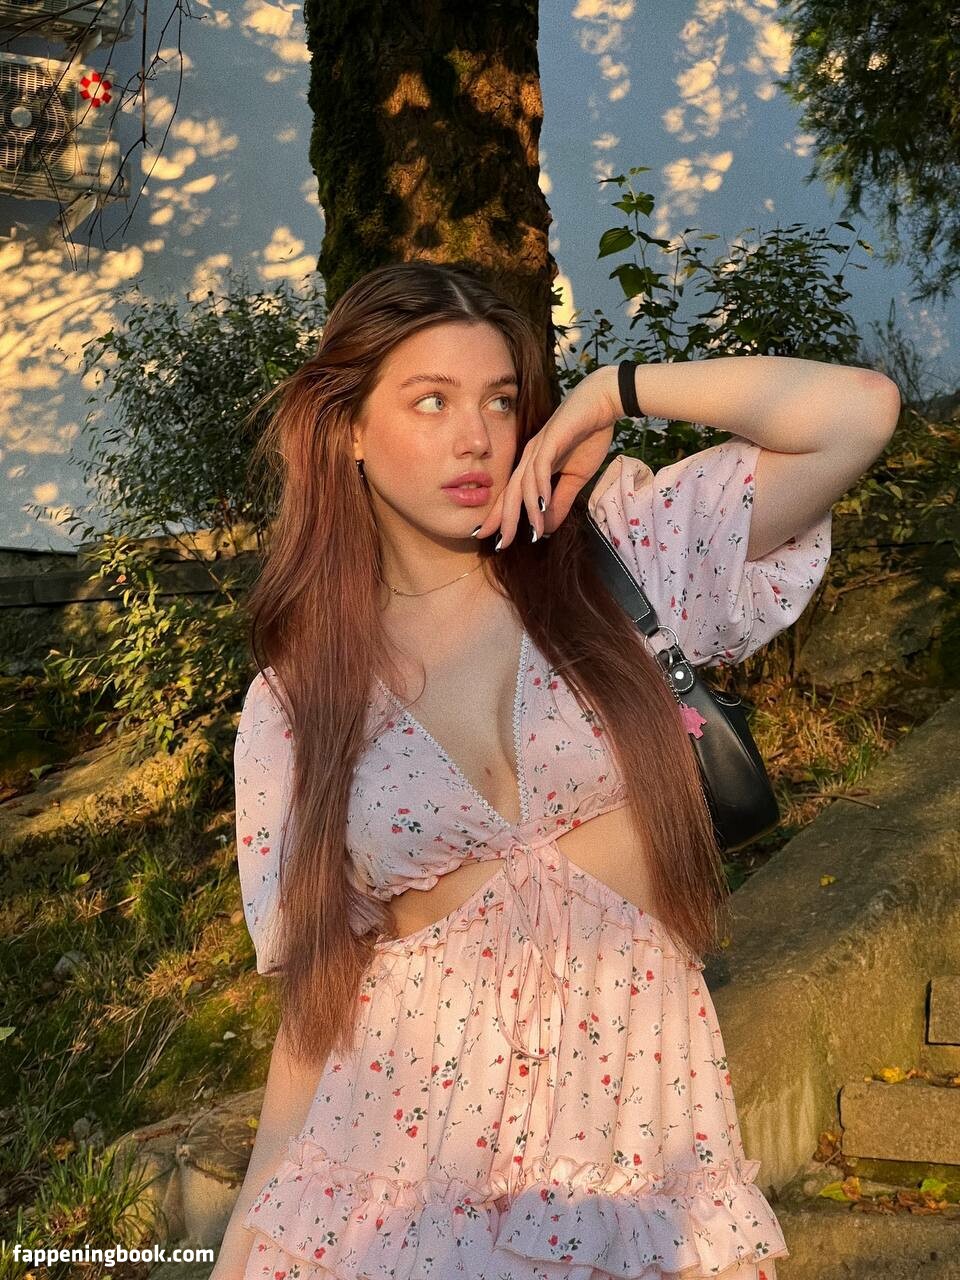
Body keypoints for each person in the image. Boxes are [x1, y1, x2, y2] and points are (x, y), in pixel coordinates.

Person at [211, 261, 900, 1279]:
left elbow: (857, 412)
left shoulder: (620, 561)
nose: (475, 437)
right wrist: (243, 1241)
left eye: (500, 400)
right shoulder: (298, 699)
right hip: (400, 1184)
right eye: (430, 400)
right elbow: (318, 1004)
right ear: (348, 428)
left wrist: (611, 392)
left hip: (633, 1162)